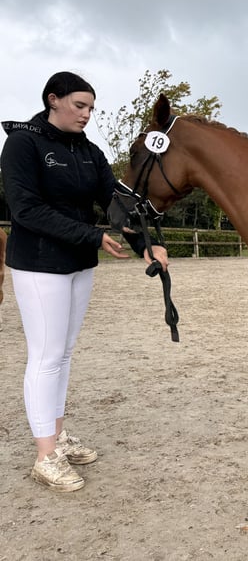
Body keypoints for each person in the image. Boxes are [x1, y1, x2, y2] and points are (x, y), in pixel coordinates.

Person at [1, 71, 169, 492]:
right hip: (39, 264)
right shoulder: (23, 143)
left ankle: (55, 436)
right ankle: (45, 456)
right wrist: (93, 236)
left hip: (79, 264)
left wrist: (148, 243)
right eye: (80, 105)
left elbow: (116, 203)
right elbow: (26, 210)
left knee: (64, 353)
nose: (87, 114)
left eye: (92, 108)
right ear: (53, 100)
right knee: (45, 355)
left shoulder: (88, 151)